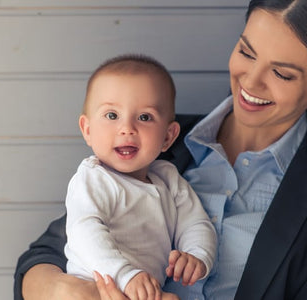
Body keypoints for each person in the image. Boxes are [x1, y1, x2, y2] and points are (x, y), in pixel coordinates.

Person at [14, 0, 307, 299]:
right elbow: (42, 259)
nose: (251, 81)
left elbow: (196, 228)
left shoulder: (162, 160)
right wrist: (78, 293)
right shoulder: (144, 144)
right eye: (247, 52)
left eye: (282, 74)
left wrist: (198, 257)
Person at [63, 54, 217, 300]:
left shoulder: (168, 179)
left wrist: (197, 255)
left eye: (144, 117)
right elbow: (84, 232)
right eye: (112, 115)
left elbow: (196, 223)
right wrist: (125, 274)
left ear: (168, 136)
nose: (127, 128)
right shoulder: (93, 179)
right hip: (95, 286)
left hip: (145, 291)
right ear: (88, 130)